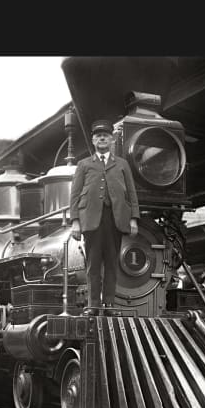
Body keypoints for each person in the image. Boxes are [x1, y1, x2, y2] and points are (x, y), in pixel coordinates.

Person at [70, 120, 140, 315]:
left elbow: (132, 194)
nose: (102, 138)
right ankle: (93, 305)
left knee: (111, 262)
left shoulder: (122, 164)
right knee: (92, 264)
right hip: (91, 220)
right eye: (98, 136)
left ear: (112, 139)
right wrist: (75, 221)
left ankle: (109, 305)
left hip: (115, 219)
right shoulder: (84, 165)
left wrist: (134, 219)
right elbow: (74, 195)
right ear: (93, 141)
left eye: (106, 135)